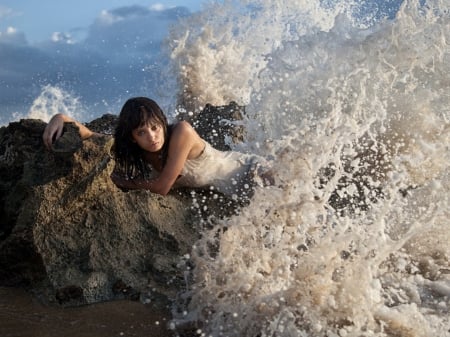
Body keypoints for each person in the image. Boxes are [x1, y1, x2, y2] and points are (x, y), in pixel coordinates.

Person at [43, 97, 271, 197]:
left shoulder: (182, 132)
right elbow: (91, 135)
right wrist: (60, 118)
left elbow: (162, 187)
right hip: (226, 190)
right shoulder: (134, 148)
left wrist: (121, 182)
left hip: (249, 172)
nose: (152, 137)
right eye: (141, 132)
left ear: (162, 123)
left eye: (154, 127)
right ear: (132, 137)